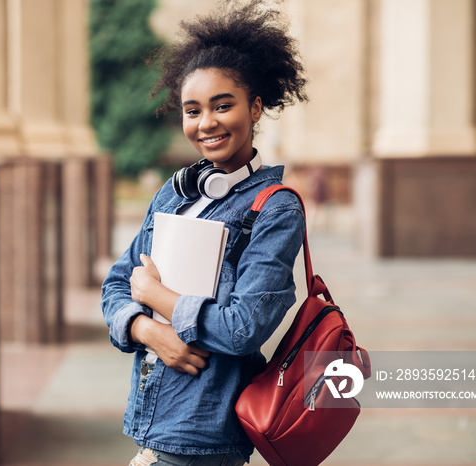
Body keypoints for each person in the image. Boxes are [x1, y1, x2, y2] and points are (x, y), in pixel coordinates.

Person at [101, 1, 308, 464]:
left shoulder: (275, 208)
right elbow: (116, 284)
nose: (206, 122)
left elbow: (243, 329)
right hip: (151, 422)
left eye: (223, 105)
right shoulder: (173, 195)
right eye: (192, 110)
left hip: (206, 436)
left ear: (255, 108)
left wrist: (155, 297)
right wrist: (145, 330)